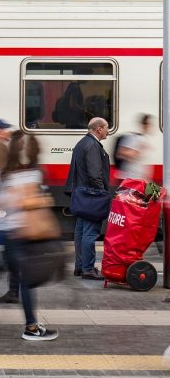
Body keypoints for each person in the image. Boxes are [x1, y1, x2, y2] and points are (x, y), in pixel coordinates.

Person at [0, 132, 59, 341]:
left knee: (20, 277)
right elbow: (32, 202)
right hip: (26, 234)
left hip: (10, 232)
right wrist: (40, 200)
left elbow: (1, 204)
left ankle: (31, 324)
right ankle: (31, 327)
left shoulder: (6, 173)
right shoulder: (34, 174)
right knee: (27, 280)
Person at [0, 131, 40, 304]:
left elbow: (6, 200)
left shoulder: (16, 172)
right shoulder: (32, 171)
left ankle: (31, 323)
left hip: (17, 228)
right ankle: (14, 293)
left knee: (17, 267)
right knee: (15, 266)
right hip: (17, 228)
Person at [65, 117, 110, 280]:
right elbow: (95, 174)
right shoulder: (92, 145)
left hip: (82, 195)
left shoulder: (81, 143)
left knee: (81, 232)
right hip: (92, 196)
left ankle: (80, 266)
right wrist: (103, 194)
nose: (107, 131)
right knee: (90, 234)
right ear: (98, 129)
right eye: (106, 128)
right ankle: (88, 268)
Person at [115, 114, 153, 182]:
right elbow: (120, 153)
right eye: (150, 124)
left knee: (157, 191)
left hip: (140, 179)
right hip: (131, 179)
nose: (152, 127)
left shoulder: (144, 138)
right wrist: (139, 149)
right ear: (145, 125)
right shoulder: (134, 138)